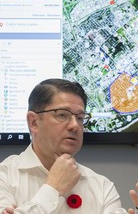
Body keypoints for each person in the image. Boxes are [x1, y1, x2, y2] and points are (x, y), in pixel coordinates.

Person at [0, 78, 122, 214]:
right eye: (62, 115)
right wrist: (53, 188)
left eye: (80, 118)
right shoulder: (4, 177)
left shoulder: (102, 187)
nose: (75, 125)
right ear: (34, 122)